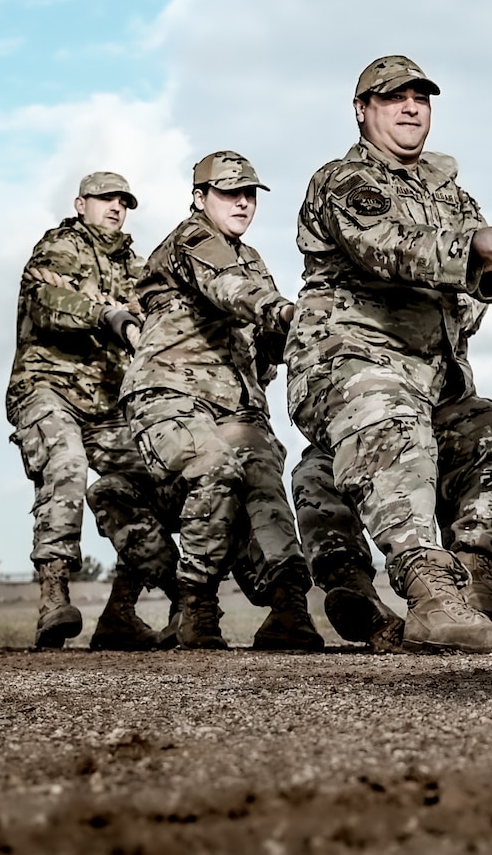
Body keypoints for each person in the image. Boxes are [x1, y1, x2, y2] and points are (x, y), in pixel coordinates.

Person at [285, 55, 492, 653]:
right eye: (393, 98)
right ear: (362, 110)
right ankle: (428, 594)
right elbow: (389, 251)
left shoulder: (452, 194)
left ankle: (475, 579)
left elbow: (480, 286)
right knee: (387, 419)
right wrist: (472, 245)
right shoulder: (345, 182)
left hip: (430, 379)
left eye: (420, 98)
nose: (411, 107)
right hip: (345, 365)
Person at [116, 151, 323, 651]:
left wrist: (306, 327)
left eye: (249, 193)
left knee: (264, 481)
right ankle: (196, 604)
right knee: (215, 467)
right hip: (169, 393)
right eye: (230, 193)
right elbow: (233, 292)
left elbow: (270, 337)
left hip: (235, 404)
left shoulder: (251, 259)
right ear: (200, 197)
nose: (243, 203)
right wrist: (286, 312)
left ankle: (288, 604)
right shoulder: (191, 240)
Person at [293, 288, 492, 651]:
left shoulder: (459, 245)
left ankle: (477, 580)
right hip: (362, 401)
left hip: (434, 404)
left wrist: (480, 265)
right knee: (319, 472)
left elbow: (483, 282)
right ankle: (356, 588)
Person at [5, 171, 146, 648]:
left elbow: (166, 311)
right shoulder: (57, 249)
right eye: (106, 199)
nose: (115, 208)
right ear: (80, 203)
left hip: (108, 401)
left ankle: (122, 611)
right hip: (47, 387)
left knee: (153, 479)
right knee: (67, 464)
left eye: (123, 201)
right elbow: (49, 304)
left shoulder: (135, 265)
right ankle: (53, 597)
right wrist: (109, 315)